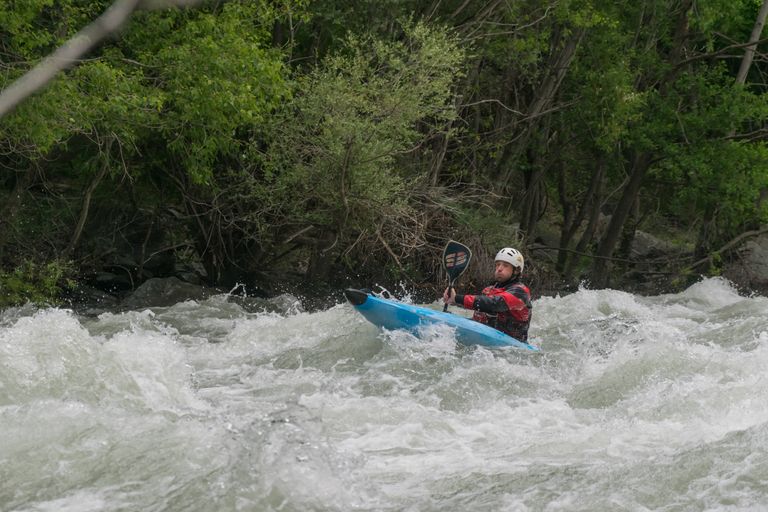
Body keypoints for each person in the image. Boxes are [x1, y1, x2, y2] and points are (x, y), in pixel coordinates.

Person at [443, 247, 532, 341]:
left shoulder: (521, 292)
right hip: (488, 335)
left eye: (505, 265)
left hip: (512, 343)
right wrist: (452, 301)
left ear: (516, 270)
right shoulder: (489, 290)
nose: (499, 269)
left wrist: (458, 298)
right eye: (497, 265)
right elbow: (479, 311)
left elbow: (495, 304)